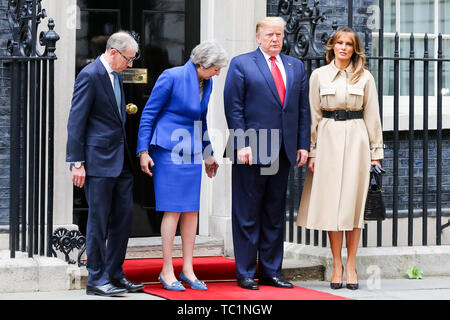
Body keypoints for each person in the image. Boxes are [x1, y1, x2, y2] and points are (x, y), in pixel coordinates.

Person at [224, 17, 310, 290]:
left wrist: (303, 144)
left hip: (284, 150)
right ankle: (246, 272)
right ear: (258, 37)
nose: (275, 39)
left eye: (279, 35)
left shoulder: (295, 66)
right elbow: (234, 107)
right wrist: (241, 144)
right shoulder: (242, 63)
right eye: (270, 35)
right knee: (247, 212)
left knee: (274, 212)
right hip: (252, 148)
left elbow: (302, 110)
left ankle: (271, 271)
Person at [297, 27, 384, 290]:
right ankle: (336, 264)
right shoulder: (318, 75)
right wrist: (311, 150)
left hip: (357, 140)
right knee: (332, 206)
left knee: (353, 207)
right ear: (332, 46)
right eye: (339, 43)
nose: (344, 47)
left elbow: (372, 116)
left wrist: (376, 155)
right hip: (328, 140)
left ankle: (351, 264)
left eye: (349, 44)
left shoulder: (365, 77)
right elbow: (312, 114)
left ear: (354, 48)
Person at [136, 40, 228, 291]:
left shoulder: (206, 82)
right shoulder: (171, 77)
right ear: (202, 64)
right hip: (167, 149)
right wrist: (143, 151)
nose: (218, 72)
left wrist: (209, 153)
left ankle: (188, 268)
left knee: (191, 210)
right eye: (216, 67)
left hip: (191, 152)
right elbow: (148, 114)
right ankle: (166, 270)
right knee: (173, 210)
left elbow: (202, 120)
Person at [66, 31, 144, 296]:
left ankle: (115, 274)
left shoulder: (116, 74)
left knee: (123, 220)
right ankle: (97, 279)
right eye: (129, 59)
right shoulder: (90, 75)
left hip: (121, 161)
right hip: (98, 161)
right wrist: (77, 162)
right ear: (113, 52)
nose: (131, 64)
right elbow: (77, 121)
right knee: (98, 222)